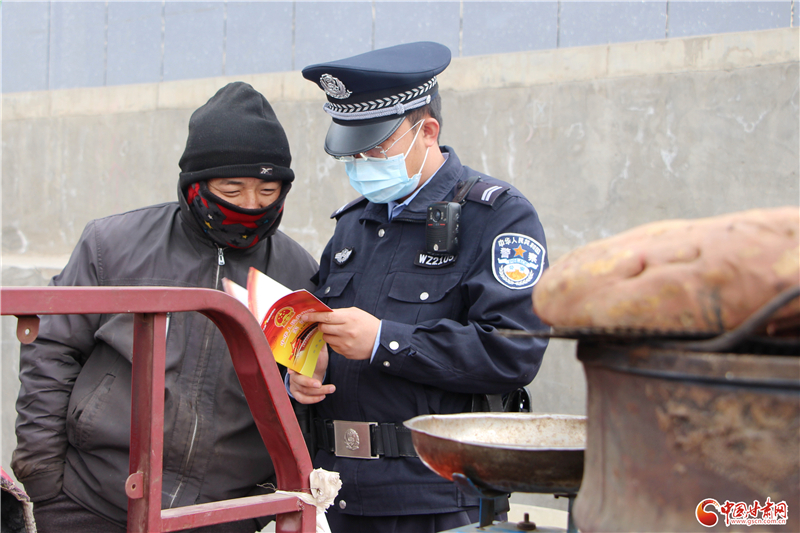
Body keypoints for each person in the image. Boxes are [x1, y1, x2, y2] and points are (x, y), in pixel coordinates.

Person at [12, 82, 318, 533]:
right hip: (90, 503)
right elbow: (51, 354)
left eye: (268, 191)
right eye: (232, 189)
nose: (251, 205)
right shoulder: (111, 245)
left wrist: (262, 506)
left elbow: (301, 397)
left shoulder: (300, 273)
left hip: (224, 516)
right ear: (195, 183)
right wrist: (44, 480)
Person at [289, 42, 550, 532]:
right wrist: (303, 370)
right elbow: (319, 328)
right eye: (353, 151)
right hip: (340, 494)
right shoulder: (353, 225)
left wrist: (384, 341)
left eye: (375, 147)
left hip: (438, 497)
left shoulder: (496, 217)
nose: (362, 162)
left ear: (427, 131)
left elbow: (513, 351)